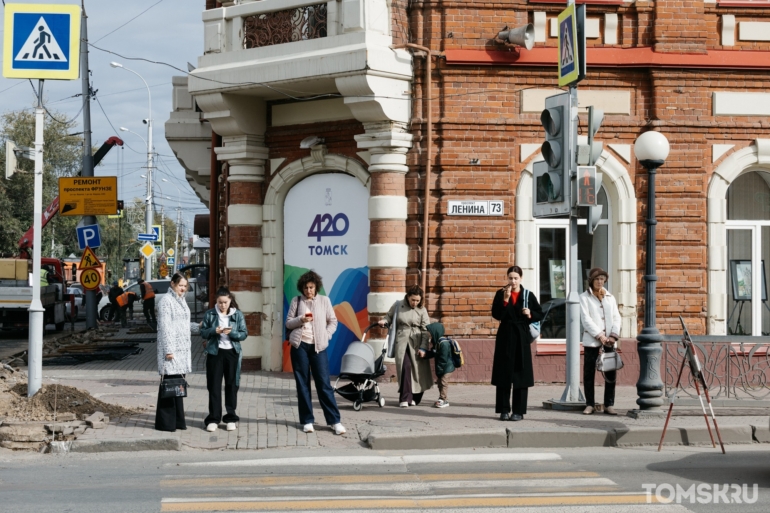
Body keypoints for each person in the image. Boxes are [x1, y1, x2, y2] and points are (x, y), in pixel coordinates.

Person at [285, 270, 346, 435]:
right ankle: (307, 421)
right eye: (305, 288)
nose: (308, 291)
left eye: (311, 287)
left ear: (316, 287)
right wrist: (301, 320)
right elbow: (289, 323)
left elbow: (333, 321)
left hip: (318, 347)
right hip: (300, 346)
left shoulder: (324, 301)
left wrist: (326, 335)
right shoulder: (296, 301)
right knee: (302, 384)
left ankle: (334, 421)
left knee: (324, 384)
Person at [491, 265, 543, 421]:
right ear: (507, 278)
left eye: (515, 278)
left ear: (521, 278)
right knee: (503, 374)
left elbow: (540, 313)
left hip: (521, 337)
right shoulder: (501, 294)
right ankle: (504, 410)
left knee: (521, 375)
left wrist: (530, 313)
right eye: (510, 278)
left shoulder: (528, 295)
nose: (512, 281)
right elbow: (496, 314)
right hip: (505, 336)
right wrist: (505, 302)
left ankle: (518, 411)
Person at [200, 287, 248, 432]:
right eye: (220, 303)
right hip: (215, 352)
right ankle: (214, 418)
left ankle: (231, 418)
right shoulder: (210, 314)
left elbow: (244, 333)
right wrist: (213, 331)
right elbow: (202, 333)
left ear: (230, 301)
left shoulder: (237, 315)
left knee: (231, 385)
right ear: (216, 301)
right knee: (214, 385)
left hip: (232, 353)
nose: (223, 305)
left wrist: (232, 333)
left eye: (225, 302)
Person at [378, 285, 432, 408]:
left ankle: (415, 397)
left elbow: (425, 330)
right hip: (402, 340)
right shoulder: (398, 305)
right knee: (405, 367)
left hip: (417, 341)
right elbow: (388, 317)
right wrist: (384, 321)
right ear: (408, 297)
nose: (415, 303)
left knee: (418, 370)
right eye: (413, 300)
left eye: (417, 300)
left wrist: (424, 347)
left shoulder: (422, 310)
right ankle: (405, 398)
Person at [579, 267, 622, 416]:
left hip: (610, 341)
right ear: (591, 281)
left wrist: (613, 336)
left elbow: (617, 317)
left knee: (610, 373)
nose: (600, 282)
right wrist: (600, 335)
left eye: (602, 279)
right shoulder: (584, 297)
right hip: (592, 340)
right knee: (589, 373)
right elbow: (586, 319)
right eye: (597, 279)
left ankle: (609, 404)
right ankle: (589, 404)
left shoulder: (610, 297)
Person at [155, 273, 192, 432]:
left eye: (185, 286)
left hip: (182, 350)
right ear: (172, 284)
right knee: (169, 385)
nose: (183, 288)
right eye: (180, 285)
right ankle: (166, 423)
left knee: (177, 386)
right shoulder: (166, 301)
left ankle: (177, 421)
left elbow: (183, 324)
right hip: (171, 351)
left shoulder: (181, 300)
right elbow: (165, 327)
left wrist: (199, 327)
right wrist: (169, 350)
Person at [426, 322, 454, 408]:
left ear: (436, 331)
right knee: (440, 383)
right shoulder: (437, 342)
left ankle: (443, 400)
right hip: (442, 367)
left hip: (447, 367)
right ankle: (442, 398)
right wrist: (425, 355)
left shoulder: (444, 343)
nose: (429, 334)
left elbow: (443, 358)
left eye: (430, 332)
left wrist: (440, 369)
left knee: (443, 382)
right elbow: (434, 353)